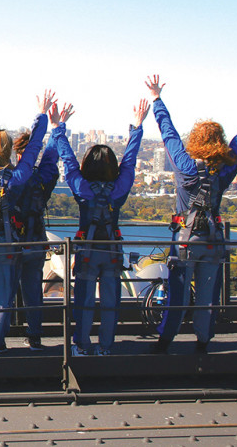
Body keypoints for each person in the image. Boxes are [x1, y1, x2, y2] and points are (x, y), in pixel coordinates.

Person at [147, 76, 237, 354]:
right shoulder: (224, 168)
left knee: (178, 295)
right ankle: (203, 341)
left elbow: (169, 134)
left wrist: (157, 99)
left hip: (185, 239)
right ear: (219, 142)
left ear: (194, 140)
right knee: (207, 298)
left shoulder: (184, 165)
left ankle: (165, 341)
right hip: (212, 239)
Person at [51, 98, 148, 356]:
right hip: (112, 251)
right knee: (109, 302)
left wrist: (58, 128)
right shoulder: (119, 189)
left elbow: (69, 163)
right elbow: (129, 161)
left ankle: (82, 344)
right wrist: (137, 128)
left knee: (83, 302)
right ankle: (106, 346)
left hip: (87, 251)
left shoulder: (83, 188)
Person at [0, 91, 54, 357]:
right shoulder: (19, 176)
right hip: (8, 241)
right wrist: (42, 114)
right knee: (3, 297)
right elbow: (34, 148)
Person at [7, 122, 61, 351]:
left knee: (5, 289)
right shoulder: (43, 178)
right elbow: (51, 160)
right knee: (33, 290)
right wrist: (58, 129)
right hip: (37, 239)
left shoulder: (12, 177)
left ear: (18, 153)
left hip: (14, 241)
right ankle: (35, 335)